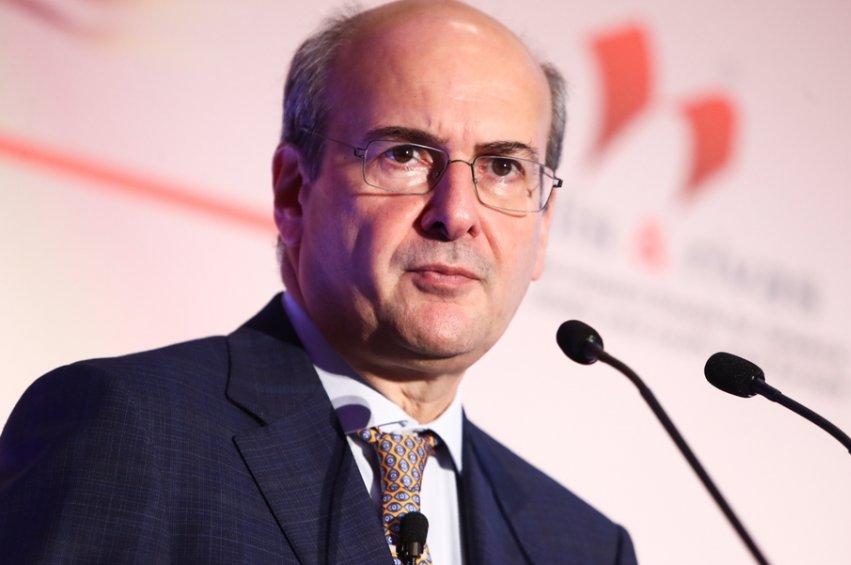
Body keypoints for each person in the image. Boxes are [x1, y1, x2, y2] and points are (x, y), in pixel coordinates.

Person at [0, 0, 638, 563]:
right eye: (403, 154)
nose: (457, 213)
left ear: (543, 227)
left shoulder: (583, 547)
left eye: (502, 167)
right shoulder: (127, 431)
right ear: (292, 191)